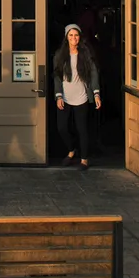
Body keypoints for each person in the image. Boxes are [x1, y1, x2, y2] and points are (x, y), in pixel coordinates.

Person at [53, 24, 101, 170]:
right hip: (65, 97)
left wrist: (96, 94)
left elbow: (93, 74)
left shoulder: (85, 54)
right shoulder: (60, 55)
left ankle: (84, 159)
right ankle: (71, 150)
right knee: (62, 128)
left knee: (82, 129)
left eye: (76, 35)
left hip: (81, 97)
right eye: (71, 35)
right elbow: (57, 76)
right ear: (66, 37)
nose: (74, 38)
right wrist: (58, 96)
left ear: (80, 37)